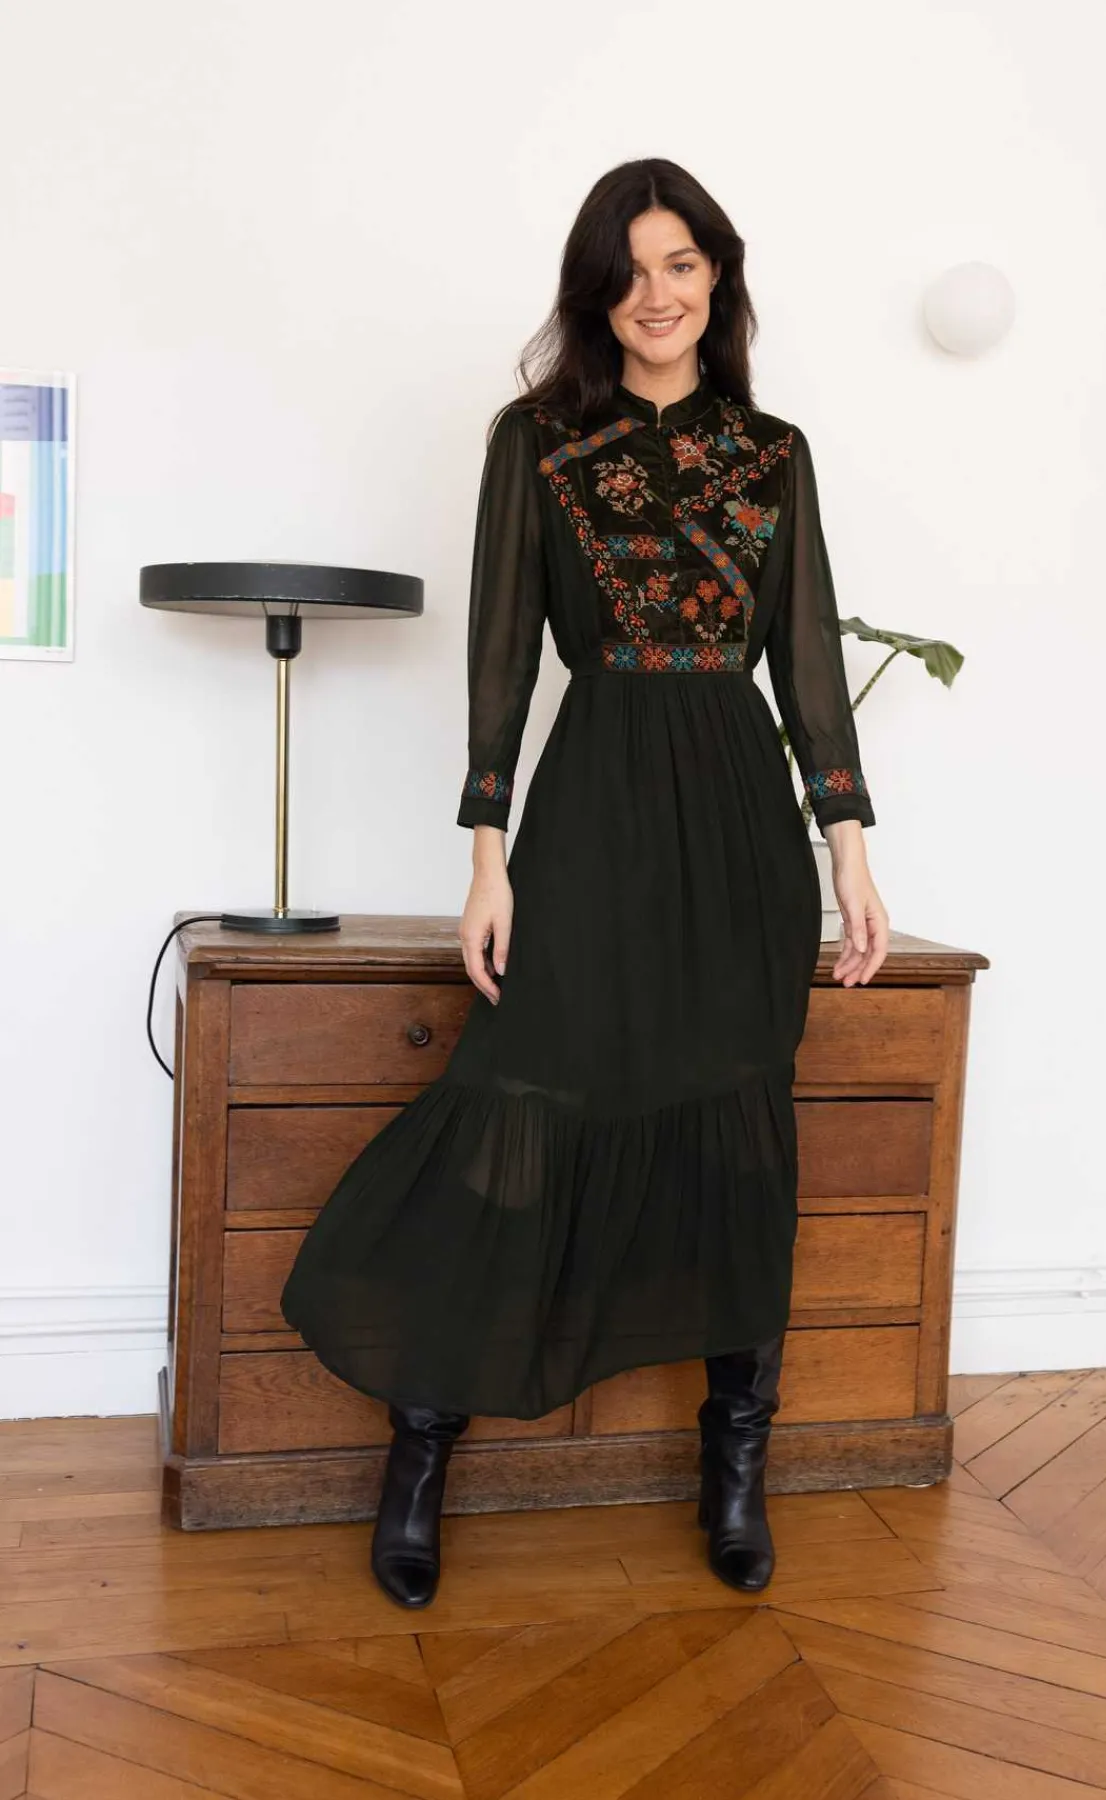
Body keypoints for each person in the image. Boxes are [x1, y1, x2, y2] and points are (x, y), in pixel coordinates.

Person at [280, 156, 889, 1610]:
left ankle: (735, 1465)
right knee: (519, 1109)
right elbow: (501, 652)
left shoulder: (774, 453)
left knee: (742, 1142)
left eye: (683, 264)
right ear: (595, 289)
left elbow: (806, 659)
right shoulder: (540, 441)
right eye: (631, 269)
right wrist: (487, 858)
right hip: (594, 808)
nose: (657, 293)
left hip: (739, 829)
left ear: (717, 278)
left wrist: (851, 853)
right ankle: (423, 1450)